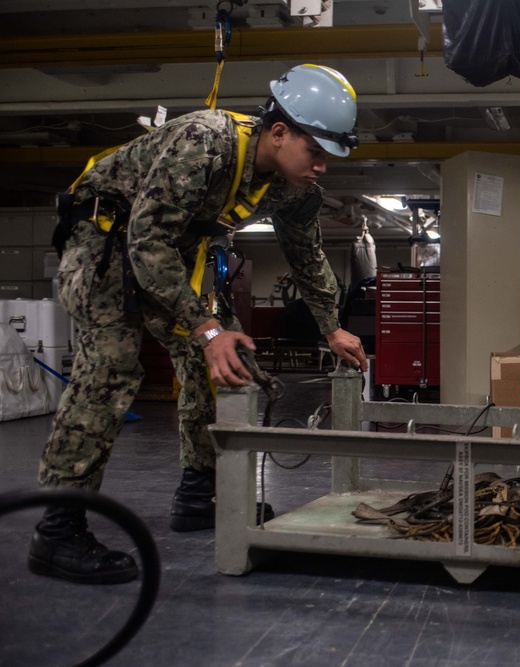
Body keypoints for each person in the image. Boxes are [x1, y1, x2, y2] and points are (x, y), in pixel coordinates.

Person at [29, 64, 369, 584]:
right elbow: (146, 242)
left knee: (228, 363)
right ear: (279, 133)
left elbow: (306, 253)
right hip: (105, 240)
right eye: (316, 152)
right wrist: (206, 328)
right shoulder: (204, 142)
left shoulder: (295, 188)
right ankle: (56, 530)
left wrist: (330, 327)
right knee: (113, 365)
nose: (322, 167)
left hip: (173, 252)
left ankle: (200, 493)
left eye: (330, 157)